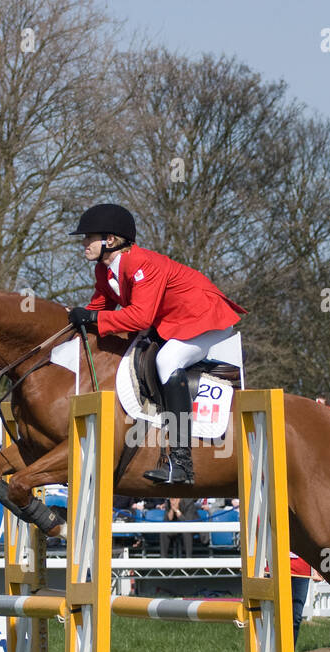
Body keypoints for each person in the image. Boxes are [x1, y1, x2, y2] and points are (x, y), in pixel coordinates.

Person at [67, 202, 244, 484]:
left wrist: (92, 317)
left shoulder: (142, 263)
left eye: (89, 237)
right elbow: (98, 310)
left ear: (110, 240)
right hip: (172, 324)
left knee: (167, 360)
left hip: (205, 319)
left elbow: (139, 317)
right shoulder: (104, 271)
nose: (84, 243)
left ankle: (182, 462)